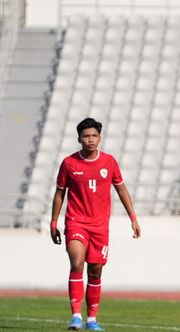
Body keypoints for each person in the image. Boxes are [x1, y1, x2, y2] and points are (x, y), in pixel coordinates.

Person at [50, 118, 141, 331]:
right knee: (77, 263)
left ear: (99, 138)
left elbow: (121, 189)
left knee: (95, 271)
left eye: (94, 136)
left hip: (100, 227)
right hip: (76, 222)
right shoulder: (69, 164)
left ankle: (91, 319)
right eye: (86, 136)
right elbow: (59, 194)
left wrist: (133, 218)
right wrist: (54, 222)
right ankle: (75, 317)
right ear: (79, 139)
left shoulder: (109, 162)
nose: (90, 140)